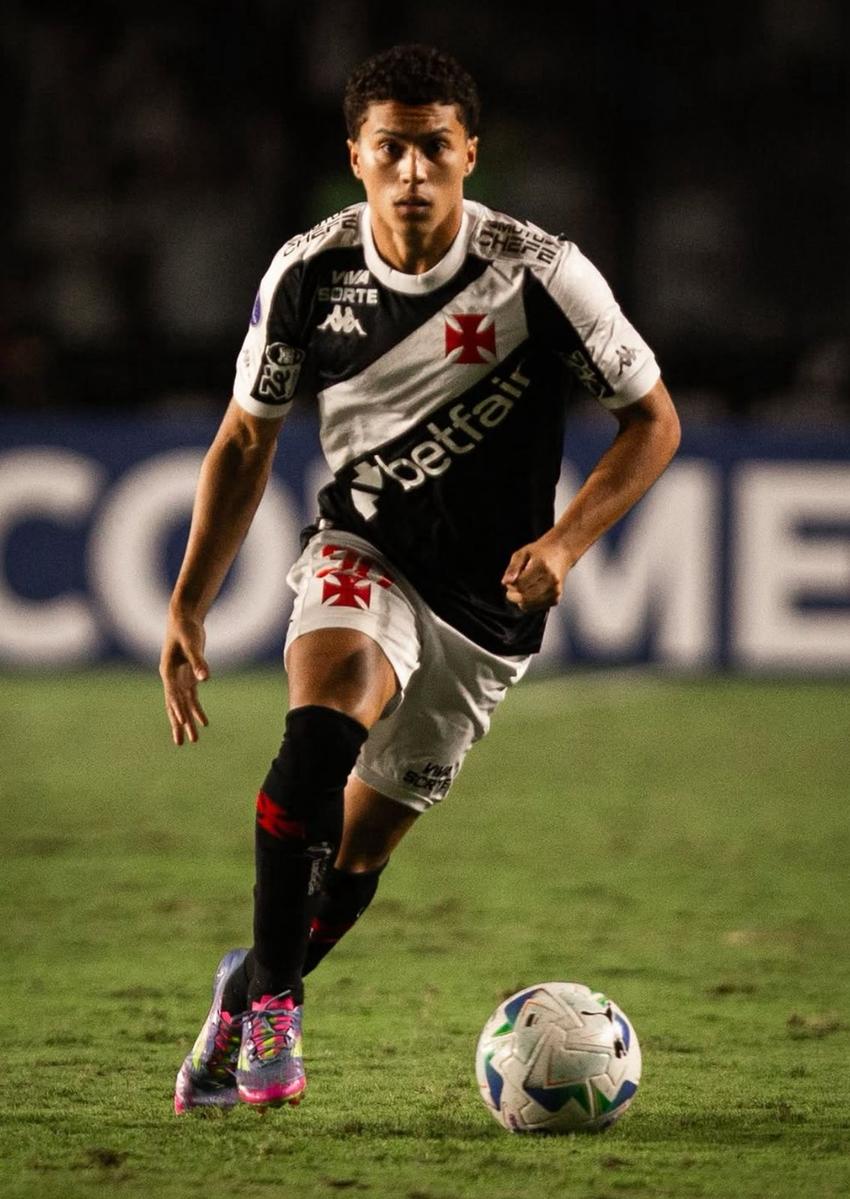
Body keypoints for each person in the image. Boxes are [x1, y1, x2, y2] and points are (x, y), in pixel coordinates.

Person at [162, 43, 680, 1114]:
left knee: (354, 853)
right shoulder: (307, 275)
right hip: (364, 554)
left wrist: (567, 543)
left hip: (488, 606)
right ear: (355, 154)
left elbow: (652, 421)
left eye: (431, 146)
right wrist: (187, 601)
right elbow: (243, 442)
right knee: (321, 730)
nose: (410, 170)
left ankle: (249, 985)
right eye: (388, 147)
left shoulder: (541, 272)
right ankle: (276, 1017)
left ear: (467, 153)